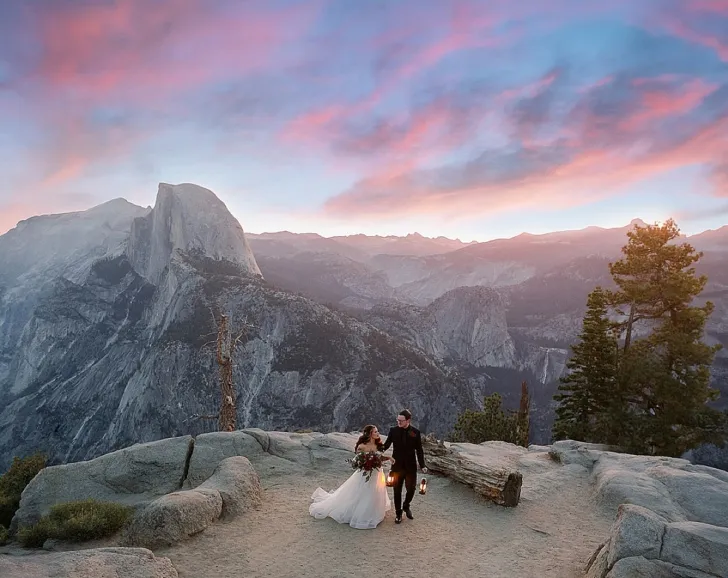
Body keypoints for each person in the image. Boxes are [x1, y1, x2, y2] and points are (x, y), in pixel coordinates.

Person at [309, 425, 393, 529]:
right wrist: (365, 464)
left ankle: (373, 512)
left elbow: (379, 457)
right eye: (375, 432)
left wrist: (389, 458)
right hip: (365, 473)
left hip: (377, 473)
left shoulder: (379, 445)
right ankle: (362, 514)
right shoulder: (362, 446)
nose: (378, 433)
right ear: (370, 434)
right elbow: (357, 460)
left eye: (377, 431)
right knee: (363, 492)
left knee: (375, 492)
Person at [381, 409, 428, 524]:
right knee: (397, 490)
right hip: (396, 466)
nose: (399, 422)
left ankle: (406, 505)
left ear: (408, 420)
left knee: (411, 489)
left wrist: (422, 465)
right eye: (398, 420)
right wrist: (375, 449)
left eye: (401, 420)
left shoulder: (415, 433)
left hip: (410, 466)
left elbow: (419, 450)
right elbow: (386, 445)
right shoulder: (393, 431)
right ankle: (398, 513)